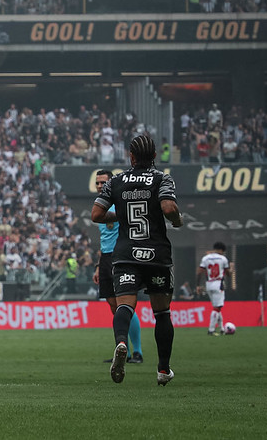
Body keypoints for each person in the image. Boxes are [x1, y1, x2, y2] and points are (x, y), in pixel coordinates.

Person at [91, 135, 183, 386]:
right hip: (156, 254)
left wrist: (120, 213)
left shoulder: (117, 181)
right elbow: (168, 208)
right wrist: (177, 220)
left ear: (130, 157)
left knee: (124, 307)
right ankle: (163, 369)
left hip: (125, 254)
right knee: (162, 313)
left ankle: (122, 343)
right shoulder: (162, 178)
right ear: (154, 156)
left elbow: (96, 214)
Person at [93, 170, 143, 365]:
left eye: (102, 182)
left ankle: (137, 352)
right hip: (106, 258)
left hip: (120, 257)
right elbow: (104, 238)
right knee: (114, 306)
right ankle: (125, 352)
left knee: (125, 304)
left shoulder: (119, 203)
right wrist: (98, 266)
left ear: (111, 183)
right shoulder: (100, 206)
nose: (99, 186)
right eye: (97, 182)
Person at [197, 242, 231, 336]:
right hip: (218, 284)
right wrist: (231, 269)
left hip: (209, 284)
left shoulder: (206, 258)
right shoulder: (223, 259)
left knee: (217, 307)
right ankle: (211, 330)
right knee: (217, 308)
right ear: (221, 250)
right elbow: (228, 274)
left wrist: (198, 285)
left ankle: (222, 329)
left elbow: (199, 272)